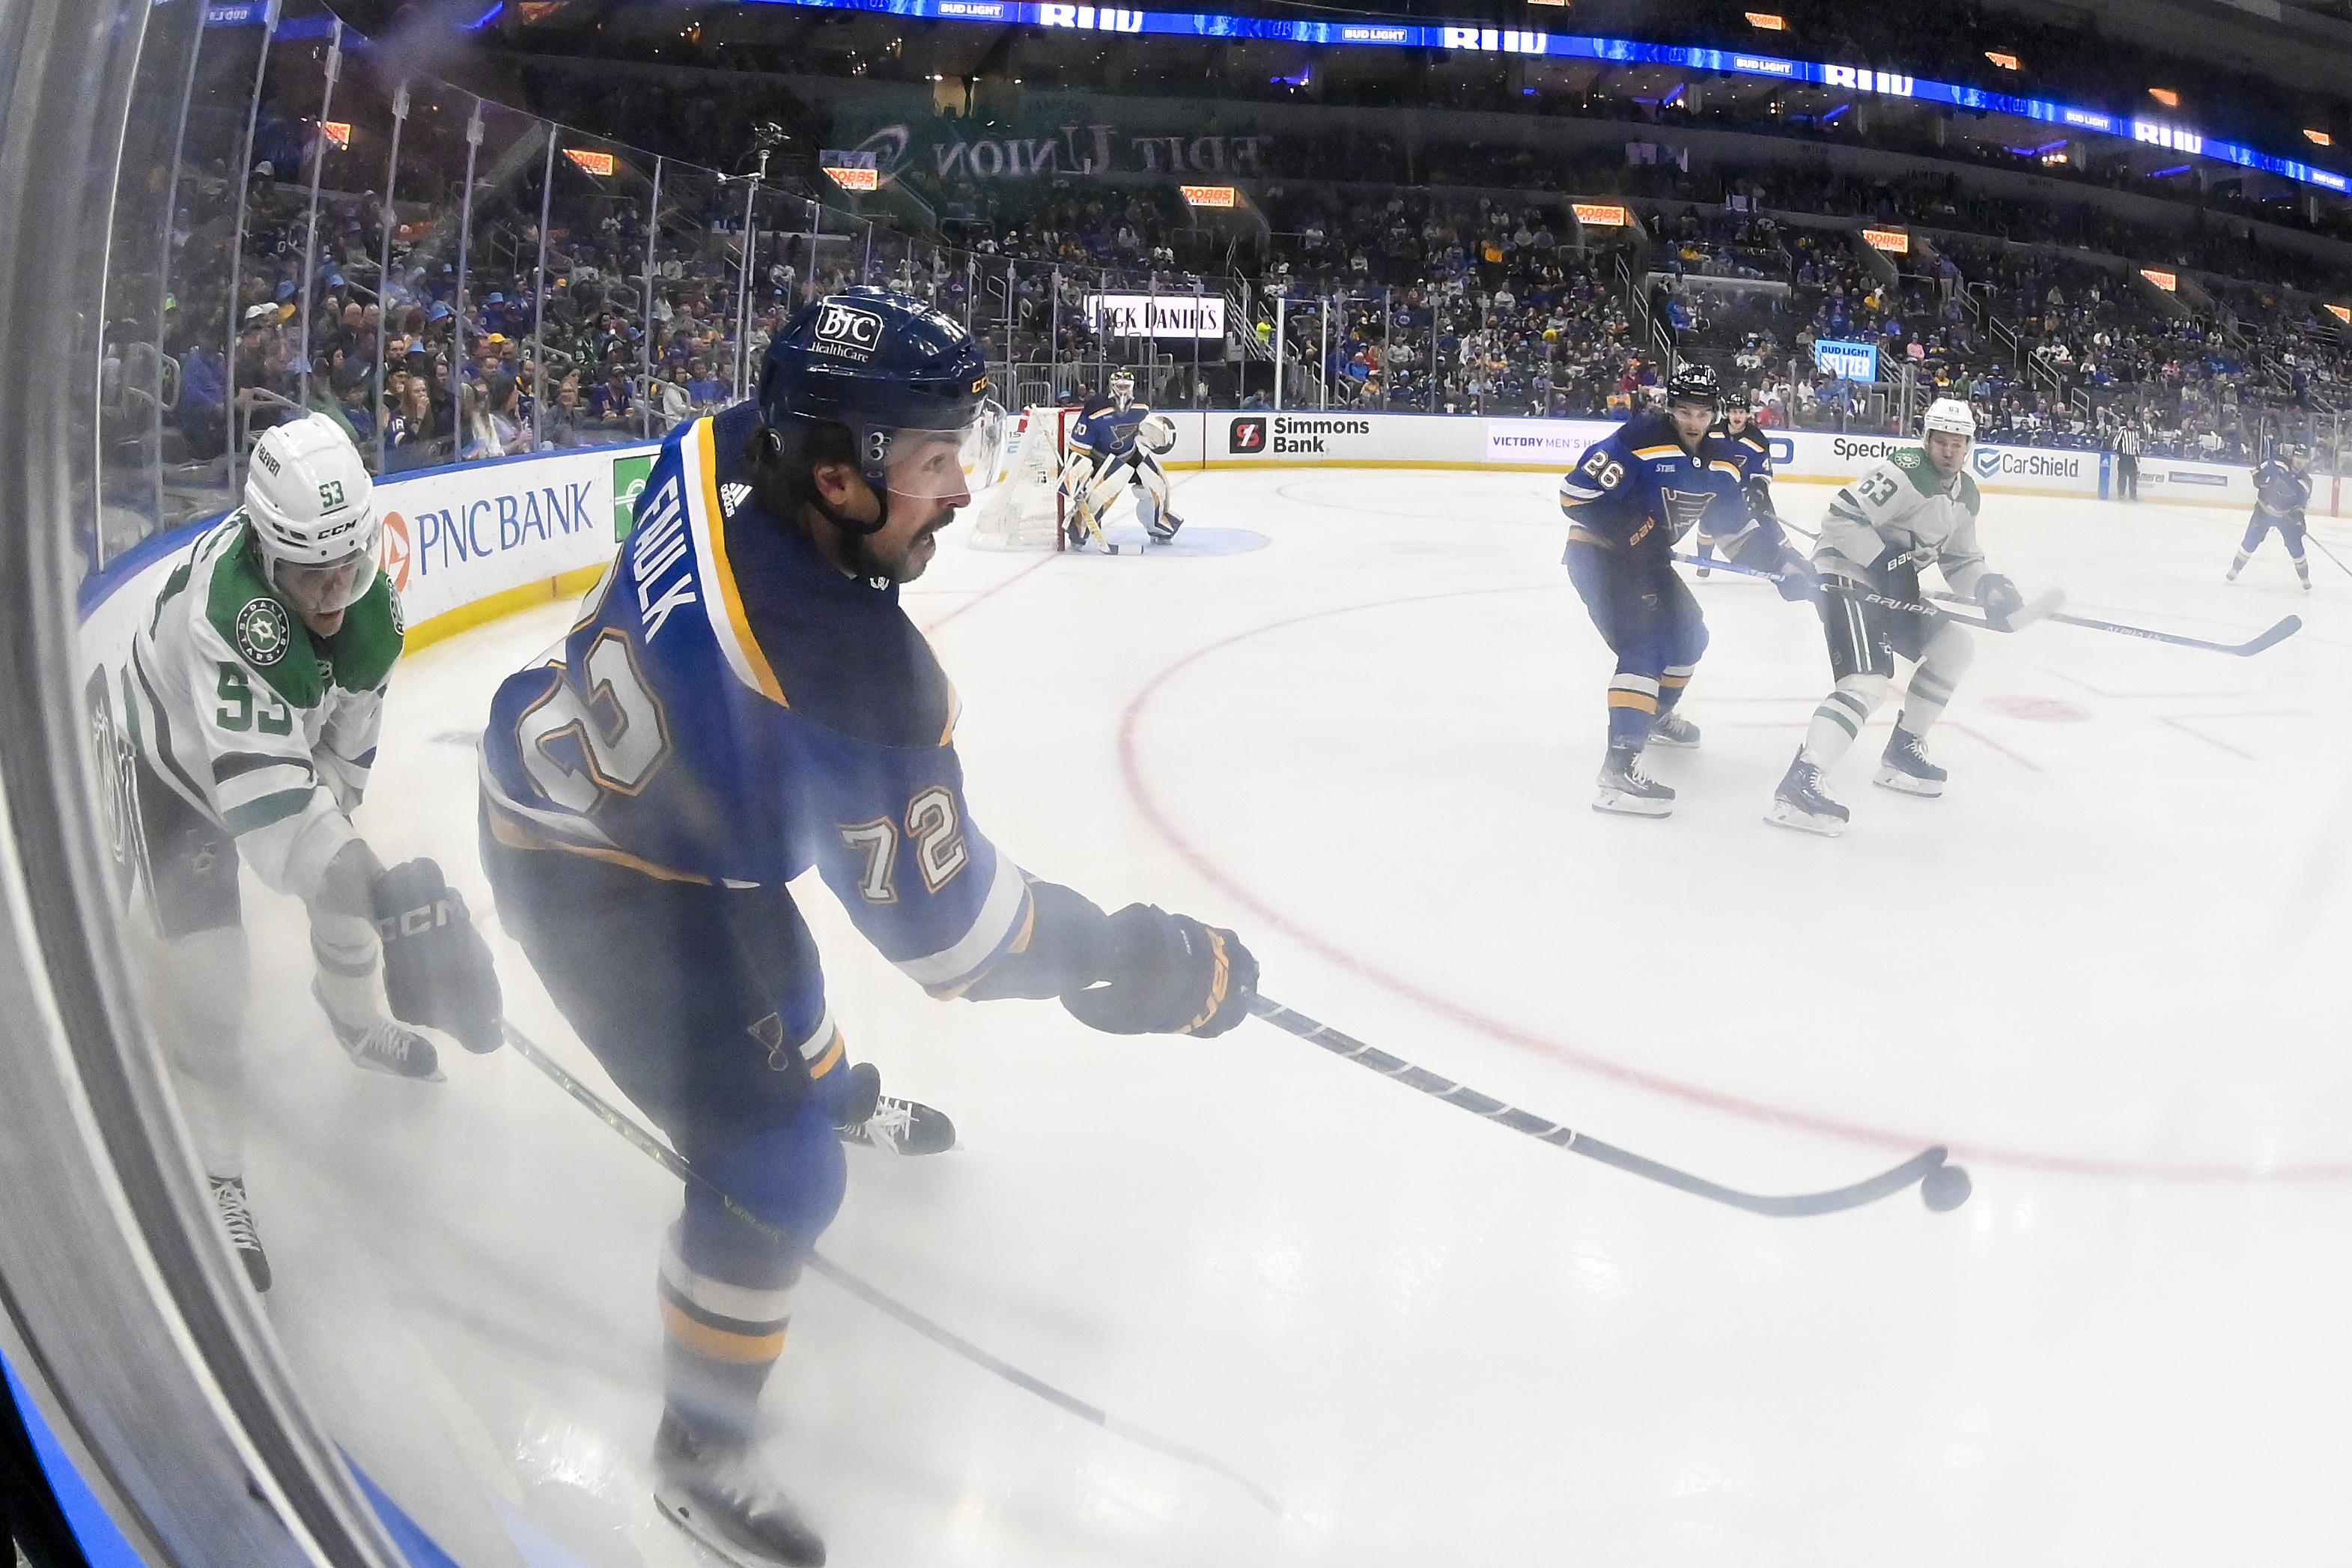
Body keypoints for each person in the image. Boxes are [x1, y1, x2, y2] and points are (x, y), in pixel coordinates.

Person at [476, 290, 1259, 1568]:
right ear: (836, 476)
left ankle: (830, 1083)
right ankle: (701, 1445)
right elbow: (956, 941)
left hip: (608, 791)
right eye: (936, 457)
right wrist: (1136, 955)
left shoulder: (710, 456)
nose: (960, 487)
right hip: (589, 872)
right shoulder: (852, 673)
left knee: (776, 966)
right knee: (781, 1167)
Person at [123, 414, 502, 1291]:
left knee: (349, 886)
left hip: (260, 753)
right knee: (215, 981)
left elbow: (338, 759)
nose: (335, 593)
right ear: (266, 552)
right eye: (309, 573)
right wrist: (386, 895)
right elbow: (276, 817)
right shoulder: (233, 617)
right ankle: (215, 1175)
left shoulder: (367, 603)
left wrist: (378, 897)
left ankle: (353, 1018)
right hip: (174, 765)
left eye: (349, 564)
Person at [1559, 365, 1812, 816]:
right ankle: (1618, 773)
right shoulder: (1637, 440)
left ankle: (1653, 716)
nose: (1692, 421)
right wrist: (1635, 529)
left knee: (1691, 636)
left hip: (1647, 562)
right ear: (1670, 408)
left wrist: (1784, 565)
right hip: (1599, 555)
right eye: (1684, 411)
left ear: (1714, 414)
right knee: (1645, 645)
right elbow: (1574, 496)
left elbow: (1735, 533)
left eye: (1701, 412)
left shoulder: (1723, 464)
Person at [1768, 398, 2029, 836]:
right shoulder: (1904, 472)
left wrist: (1987, 585)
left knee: (1954, 648)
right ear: (1926, 440)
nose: (1948, 451)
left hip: (1891, 586)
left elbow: (1961, 561)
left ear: (1969, 446)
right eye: (1941, 441)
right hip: (1843, 574)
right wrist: (1885, 561)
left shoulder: (1966, 494)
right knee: (1867, 682)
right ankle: (1800, 782)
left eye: (1957, 443)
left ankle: (1903, 750)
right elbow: (1840, 521)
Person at [1063, 368, 1182, 547]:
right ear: (1112, 386)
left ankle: (1157, 525)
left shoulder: (1142, 404)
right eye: (1119, 386)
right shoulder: (1095, 406)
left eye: (1126, 386)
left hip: (1131, 453)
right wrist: (1077, 475)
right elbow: (1078, 446)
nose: (1123, 390)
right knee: (1103, 494)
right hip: (1101, 458)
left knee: (1158, 483)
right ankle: (1079, 529)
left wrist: (1154, 431)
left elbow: (1144, 427)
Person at [1695, 392, 1777, 578]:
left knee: (1769, 523)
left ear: (1748, 414)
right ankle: (1704, 562)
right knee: (1707, 523)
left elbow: (1762, 472)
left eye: (1741, 412)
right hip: (1717, 490)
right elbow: (1699, 458)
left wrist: (1757, 491)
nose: (1737, 416)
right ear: (1727, 413)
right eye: (1733, 412)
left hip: (1747, 491)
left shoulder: (1757, 439)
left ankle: (1790, 561)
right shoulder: (1711, 432)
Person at [2228, 443, 2313, 589]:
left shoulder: (2305, 482)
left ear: (2308, 461)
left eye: (2303, 458)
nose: (2300, 460)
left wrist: (2298, 517)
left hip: (2285, 517)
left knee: (2296, 547)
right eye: (2298, 456)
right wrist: (2258, 478)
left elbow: (2302, 505)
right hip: (2263, 511)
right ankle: (2235, 569)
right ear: (2292, 456)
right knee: (2250, 540)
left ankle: (2304, 577)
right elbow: (2258, 470)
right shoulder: (2276, 463)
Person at [2112, 419, 2142, 502]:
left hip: (2132, 457)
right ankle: (2121, 494)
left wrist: (2138, 455)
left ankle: (2133, 495)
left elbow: (2136, 445)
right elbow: (2116, 441)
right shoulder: (2123, 431)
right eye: (2129, 421)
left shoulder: (2135, 433)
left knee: (2133, 476)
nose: (2131, 423)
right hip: (2123, 457)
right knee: (2122, 476)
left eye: (2132, 422)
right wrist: (2116, 452)